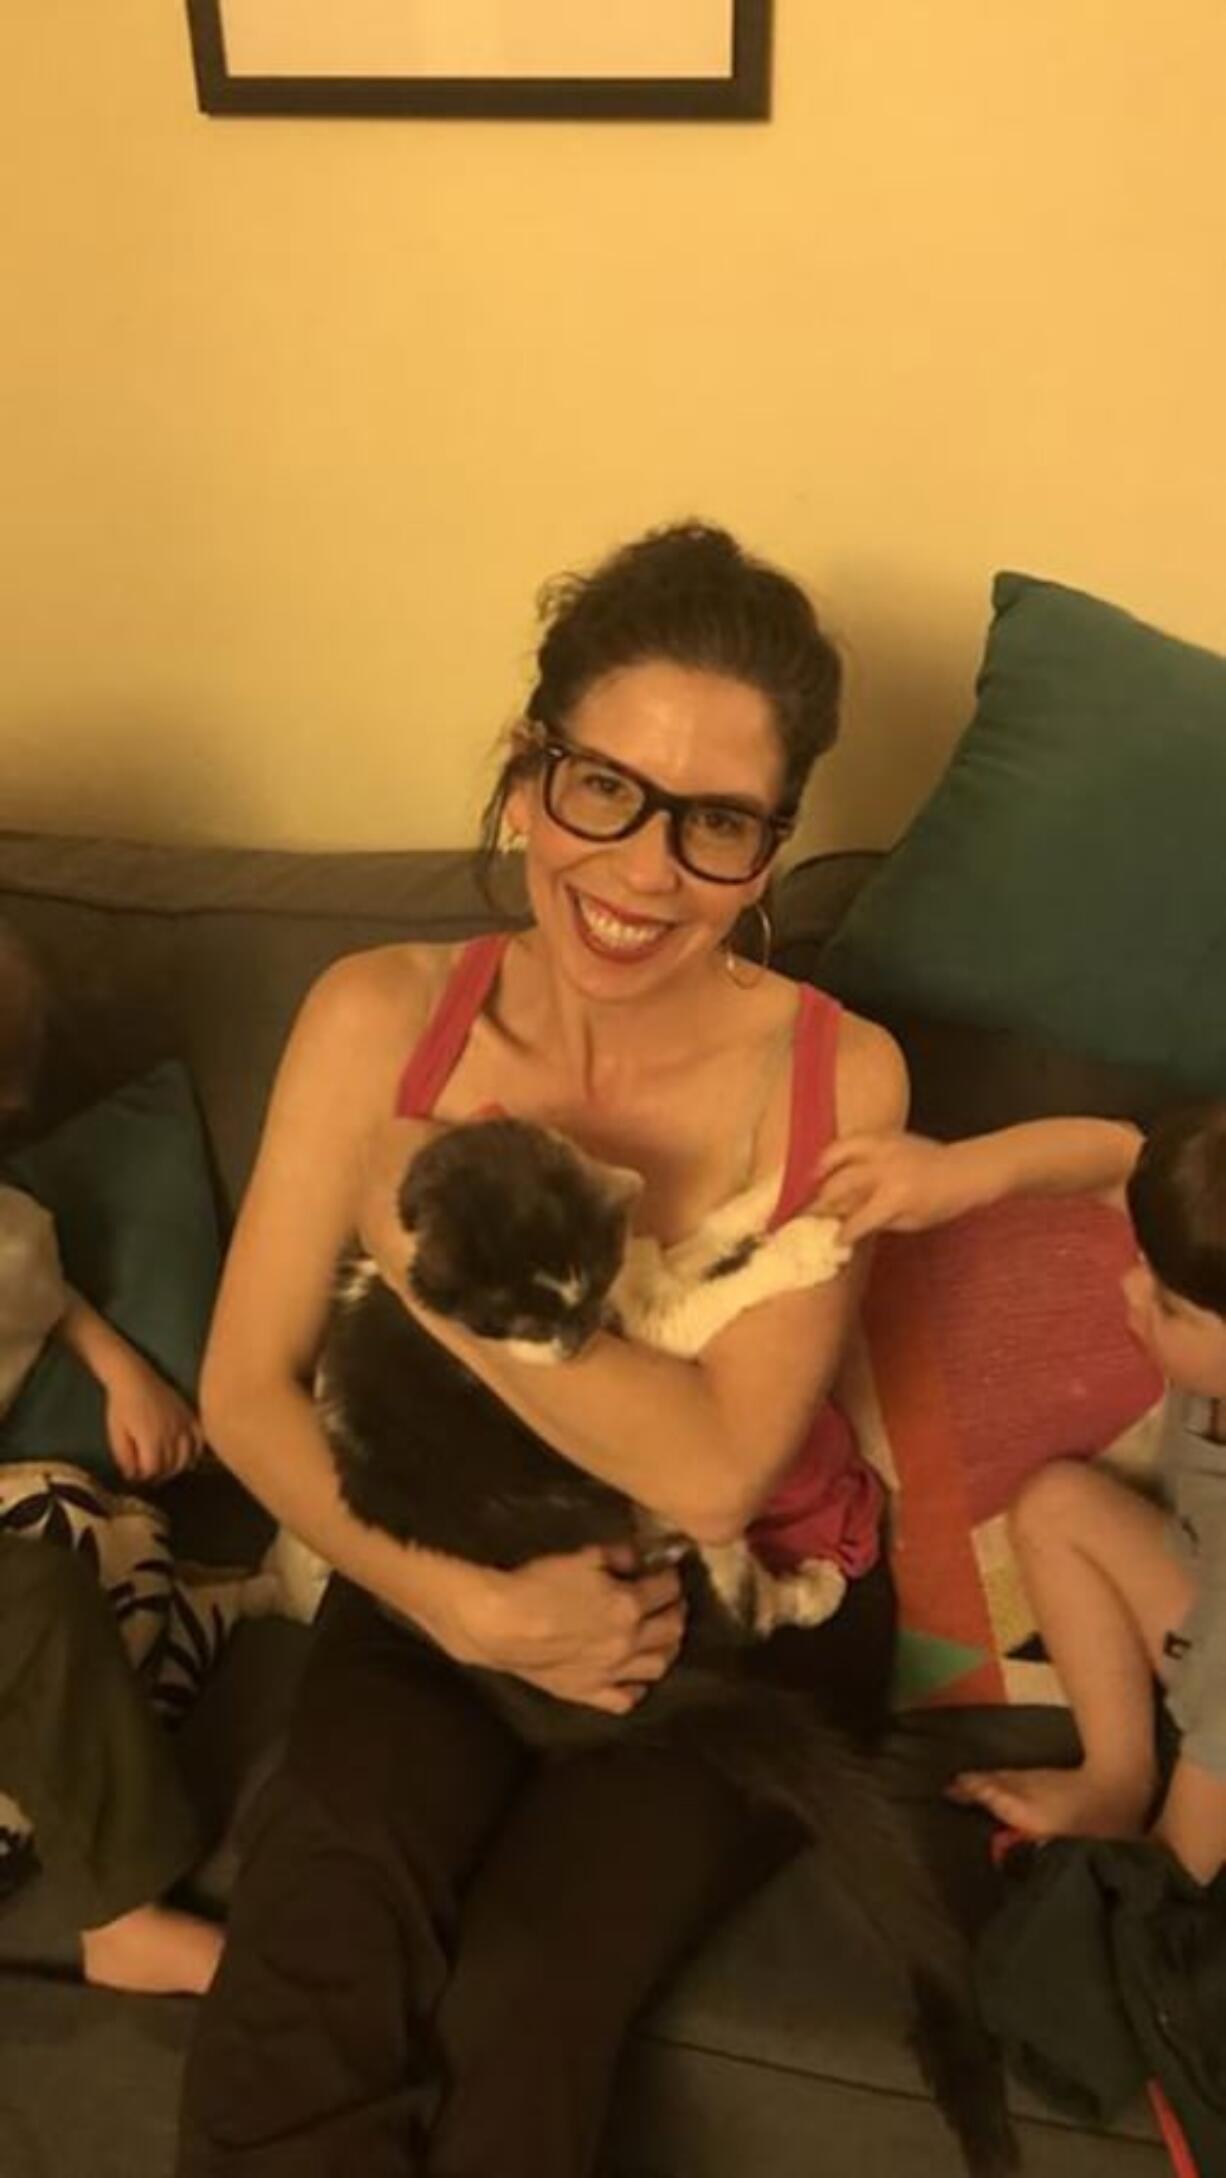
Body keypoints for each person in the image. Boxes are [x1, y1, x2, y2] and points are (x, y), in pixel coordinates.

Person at [176, 522, 909, 2178]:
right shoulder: (378, 1014)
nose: (646, 873)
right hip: (443, 1554)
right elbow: (240, 1388)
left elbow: (719, 1467)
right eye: (605, 791)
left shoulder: (838, 1076)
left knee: (526, 1994)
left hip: (726, 1627)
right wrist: (462, 1602)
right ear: (527, 778)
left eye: (716, 823)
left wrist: (427, 1262)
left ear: (772, 845)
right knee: (322, 1908)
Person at [815, 1104, 1226, 1884]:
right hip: (1196, 1585)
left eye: (1168, 1304)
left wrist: (1133, 1880)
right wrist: (954, 1172)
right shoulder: (1210, 1244)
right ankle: (1114, 1778)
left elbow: (1180, 1873)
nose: (1132, 1283)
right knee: (1056, 1506)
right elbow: (1114, 1159)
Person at [0, 921, 221, 1993]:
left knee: (42, 1593)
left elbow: (44, 1295)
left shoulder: (14, 1235)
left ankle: (123, 1917)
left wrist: (123, 1370)